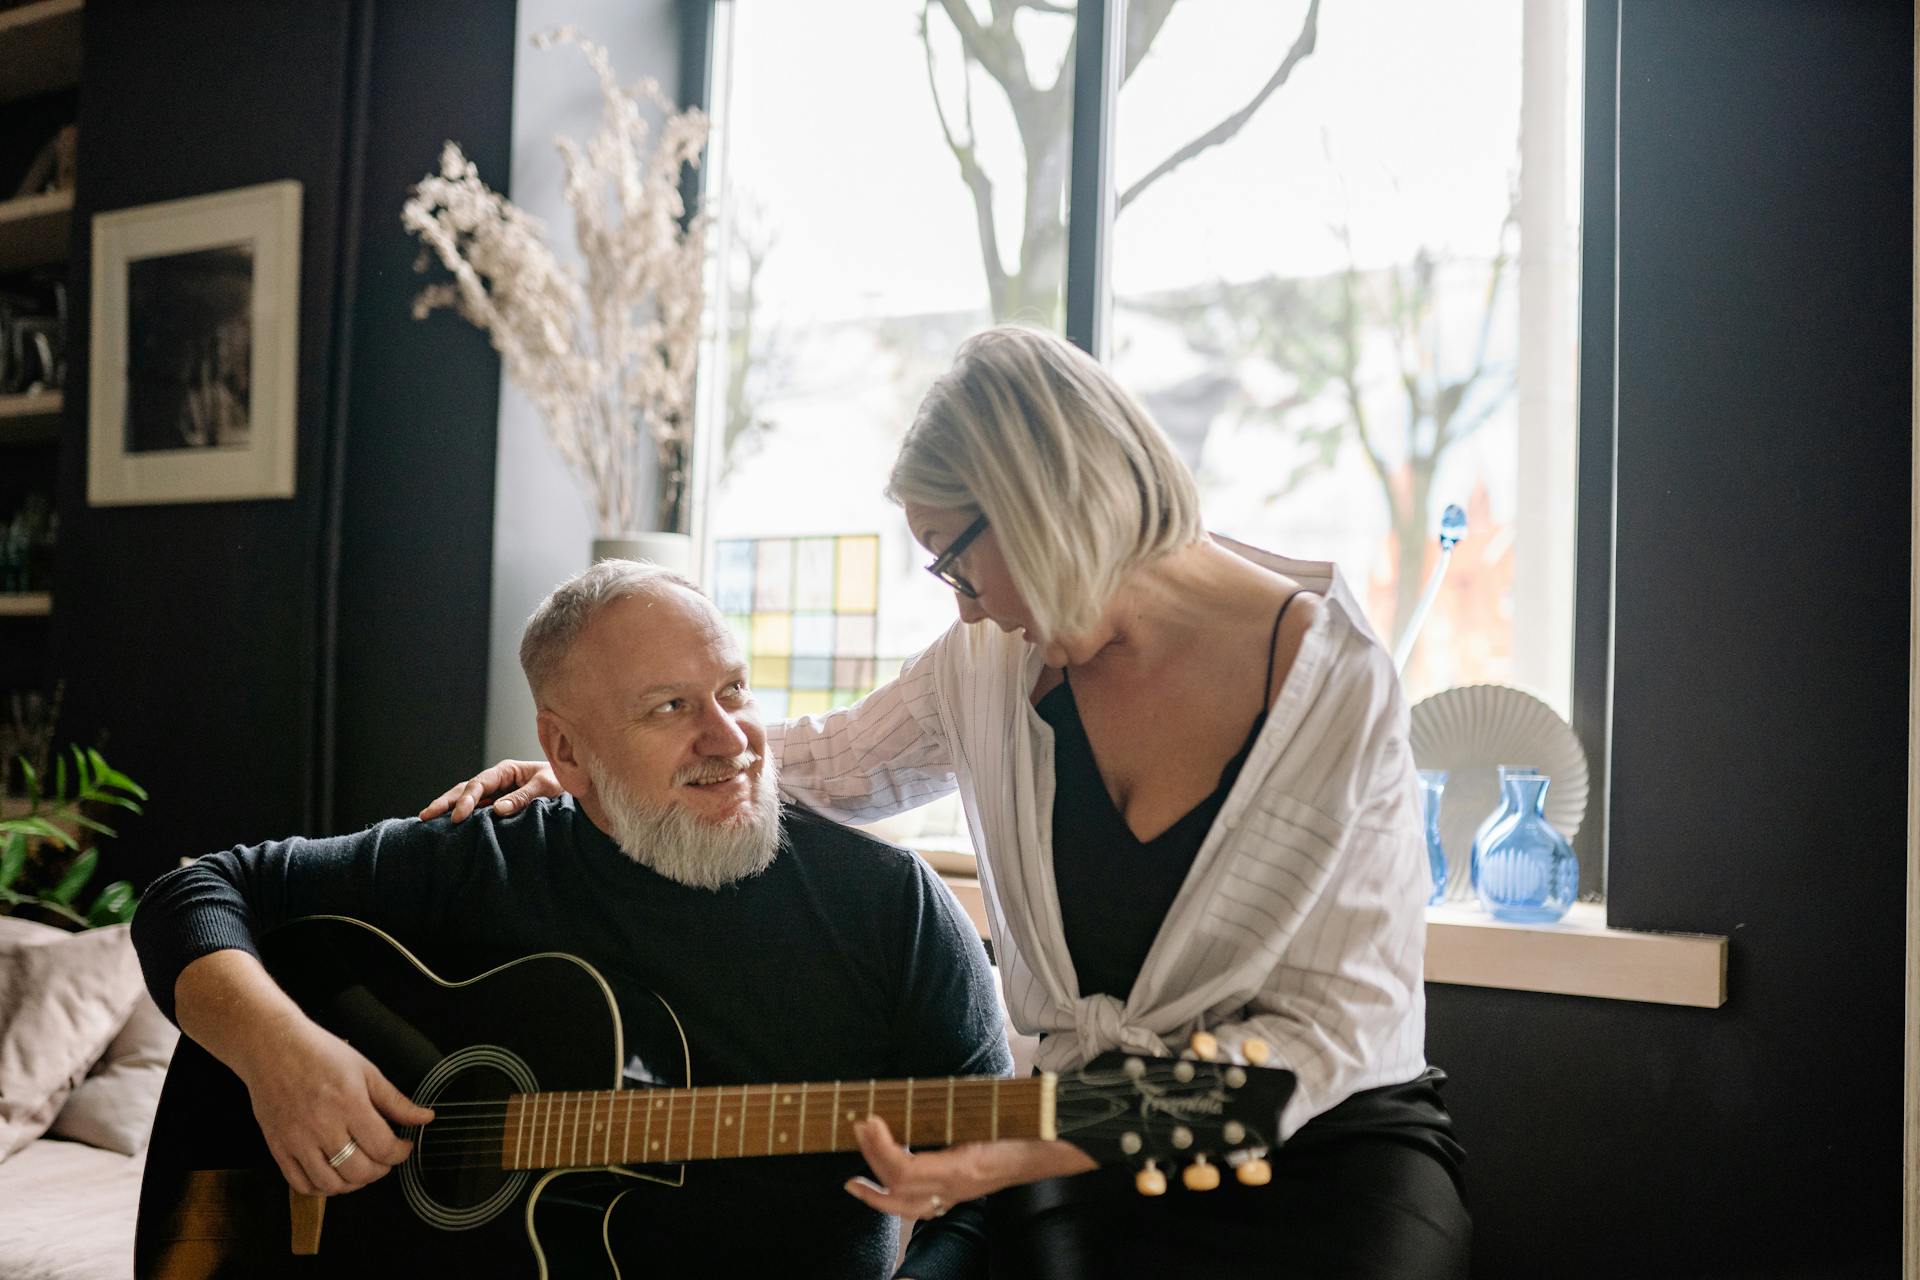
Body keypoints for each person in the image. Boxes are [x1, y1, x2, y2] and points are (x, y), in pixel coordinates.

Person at [426, 326, 1471, 1278]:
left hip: (1330, 1136)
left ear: (1041, 506)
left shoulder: (1336, 681)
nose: (961, 602)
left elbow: (1335, 1028)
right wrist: (605, 770)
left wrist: (1040, 1145)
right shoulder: (986, 662)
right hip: (1071, 1131)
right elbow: (829, 760)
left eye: (954, 560)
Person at [132, 561, 1011, 1280]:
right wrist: (278, 1053)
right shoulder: (491, 857)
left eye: (734, 689)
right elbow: (198, 893)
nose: (732, 738)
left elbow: (991, 1189)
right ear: (564, 751)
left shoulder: (889, 907)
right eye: (670, 706)